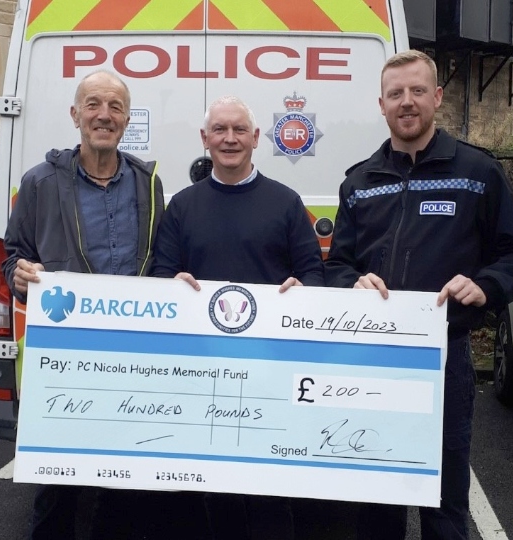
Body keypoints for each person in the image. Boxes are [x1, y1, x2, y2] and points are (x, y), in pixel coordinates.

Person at [324, 50, 513, 539]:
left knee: (443, 504)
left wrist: (485, 285)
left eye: (417, 91)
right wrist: (351, 282)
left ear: (437, 98)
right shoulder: (359, 182)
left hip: (445, 361)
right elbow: (337, 265)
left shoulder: (477, 173)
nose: (407, 102)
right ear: (380, 104)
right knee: (376, 500)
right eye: (396, 94)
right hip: (372, 363)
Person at [1, 70, 167, 540]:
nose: (104, 115)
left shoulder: (146, 183)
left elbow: (159, 261)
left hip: (130, 357)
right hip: (66, 359)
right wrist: (18, 275)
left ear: (127, 119)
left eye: (115, 107)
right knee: (58, 484)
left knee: (124, 480)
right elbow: (12, 257)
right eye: (93, 104)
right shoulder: (39, 183)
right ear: (75, 115)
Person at [150, 95, 325, 540]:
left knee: (270, 493)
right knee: (213, 493)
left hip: (270, 372)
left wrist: (302, 291)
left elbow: (313, 274)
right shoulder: (182, 206)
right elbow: (159, 275)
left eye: (239, 130)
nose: (230, 139)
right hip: (202, 373)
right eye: (220, 130)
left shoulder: (286, 203)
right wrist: (173, 284)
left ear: (255, 138)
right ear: (205, 139)